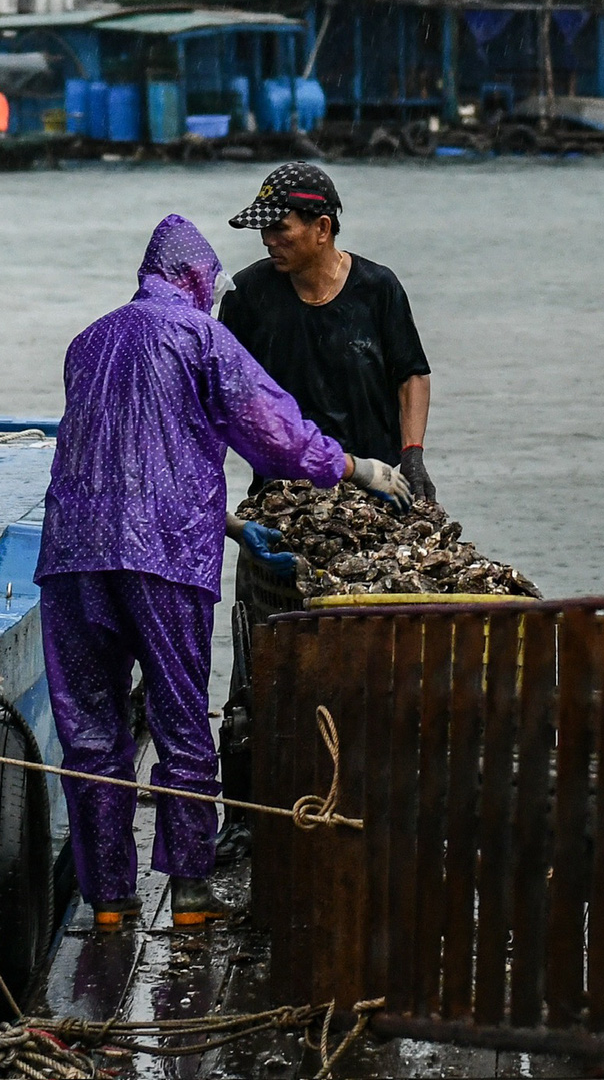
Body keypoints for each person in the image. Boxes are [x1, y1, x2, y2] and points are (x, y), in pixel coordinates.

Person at [35, 214, 410, 929]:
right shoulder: (200, 336)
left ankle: (108, 900)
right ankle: (191, 894)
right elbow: (272, 431)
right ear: (195, 279)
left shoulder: (87, 342)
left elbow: (126, 451)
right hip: (164, 555)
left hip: (74, 554)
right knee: (180, 719)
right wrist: (354, 466)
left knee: (89, 729)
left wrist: (235, 525)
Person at [219, 162, 436, 502]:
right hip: (281, 491)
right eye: (263, 229)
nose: (267, 240)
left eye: (279, 228)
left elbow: (411, 376)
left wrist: (412, 455)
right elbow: (220, 392)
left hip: (374, 485)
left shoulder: (377, 289)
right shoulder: (246, 294)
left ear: (322, 228)